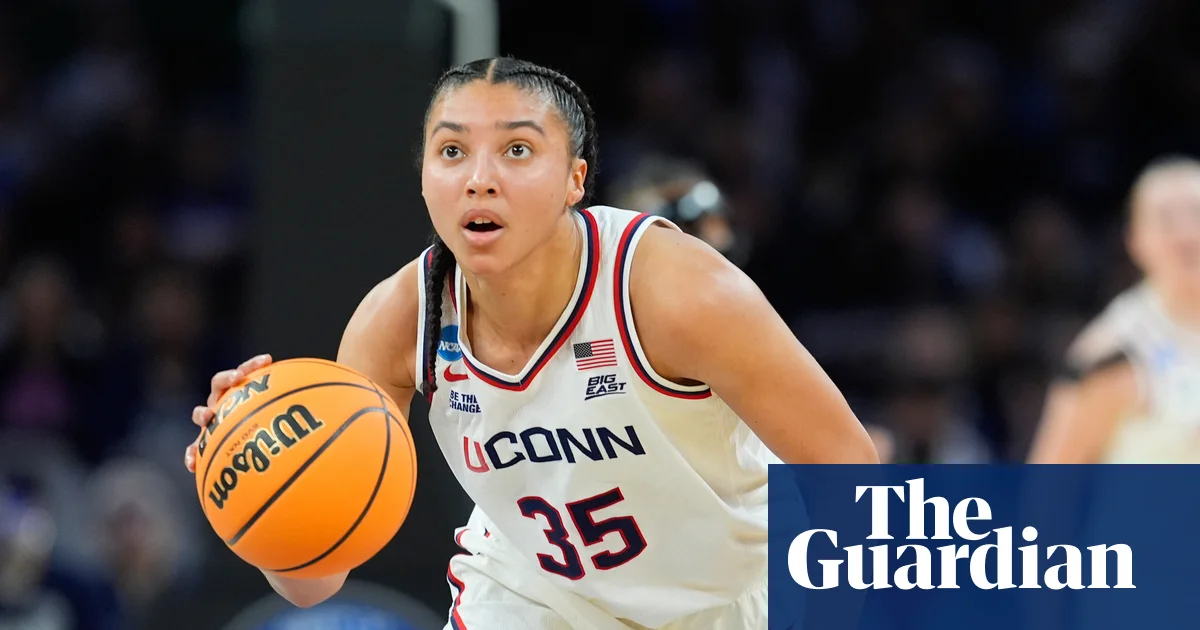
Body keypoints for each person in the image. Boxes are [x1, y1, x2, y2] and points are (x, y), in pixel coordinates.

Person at [184, 57, 878, 629]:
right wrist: (248, 483)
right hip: (532, 599)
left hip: (731, 596)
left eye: (517, 150)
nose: (479, 178)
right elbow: (315, 582)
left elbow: (847, 469)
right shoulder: (398, 320)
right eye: (451, 151)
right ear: (423, 180)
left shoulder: (676, 291)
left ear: (576, 179)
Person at [1029, 155, 1200, 464]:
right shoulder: (1110, 352)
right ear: (1134, 240)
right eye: (1166, 220)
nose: (1186, 234)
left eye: (1196, 214)